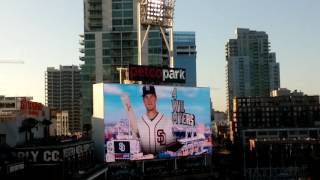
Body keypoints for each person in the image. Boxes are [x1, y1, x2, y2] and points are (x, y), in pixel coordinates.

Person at [136, 85, 176, 154]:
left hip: (163, 163)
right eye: (146, 97)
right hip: (143, 164)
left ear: (156, 98)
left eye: (152, 96)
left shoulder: (167, 121)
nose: (149, 100)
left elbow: (172, 149)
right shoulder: (138, 123)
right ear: (143, 100)